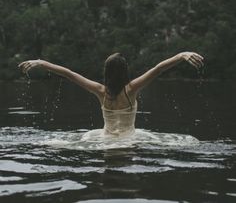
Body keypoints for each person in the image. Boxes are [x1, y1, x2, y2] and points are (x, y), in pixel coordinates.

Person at [19, 52, 203, 138]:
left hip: (104, 139)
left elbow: (69, 74)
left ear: (106, 72)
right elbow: (158, 69)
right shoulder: (131, 90)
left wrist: (41, 62)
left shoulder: (100, 91)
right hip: (128, 140)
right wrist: (181, 56)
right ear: (125, 71)